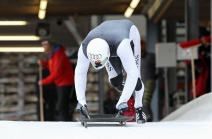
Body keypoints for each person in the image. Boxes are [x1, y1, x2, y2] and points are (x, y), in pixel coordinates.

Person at [75, 19, 146, 124]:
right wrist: (81, 101)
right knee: (116, 82)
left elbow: (133, 73)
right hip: (110, 41)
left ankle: (139, 108)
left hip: (125, 38)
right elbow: (80, 72)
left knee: (136, 81)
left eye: (101, 62)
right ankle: (123, 84)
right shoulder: (85, 47)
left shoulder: (122, 45)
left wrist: (123, 100)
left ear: (107, 54)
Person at [38, 39, 75, 121]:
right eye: (45, 50)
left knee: (62, 106)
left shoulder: (58, 55)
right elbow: (52, 66)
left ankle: (66, 122)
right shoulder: (53, 55)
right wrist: (44, 63)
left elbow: (57, 72)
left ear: (52, 47)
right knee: (62, 106)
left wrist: (44, 81)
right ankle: (65, 121)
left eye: (47, 50)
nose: (46, 52)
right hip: (60, 83)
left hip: (65, 83)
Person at [140, 39, 156, 122]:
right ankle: (148, 117)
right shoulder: (139, 59)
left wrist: (154, 77)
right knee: (142, 102)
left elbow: (160, 68)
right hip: (142, 82)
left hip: (149, 81)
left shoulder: (151, 57)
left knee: (145, 102)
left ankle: (149, 119)